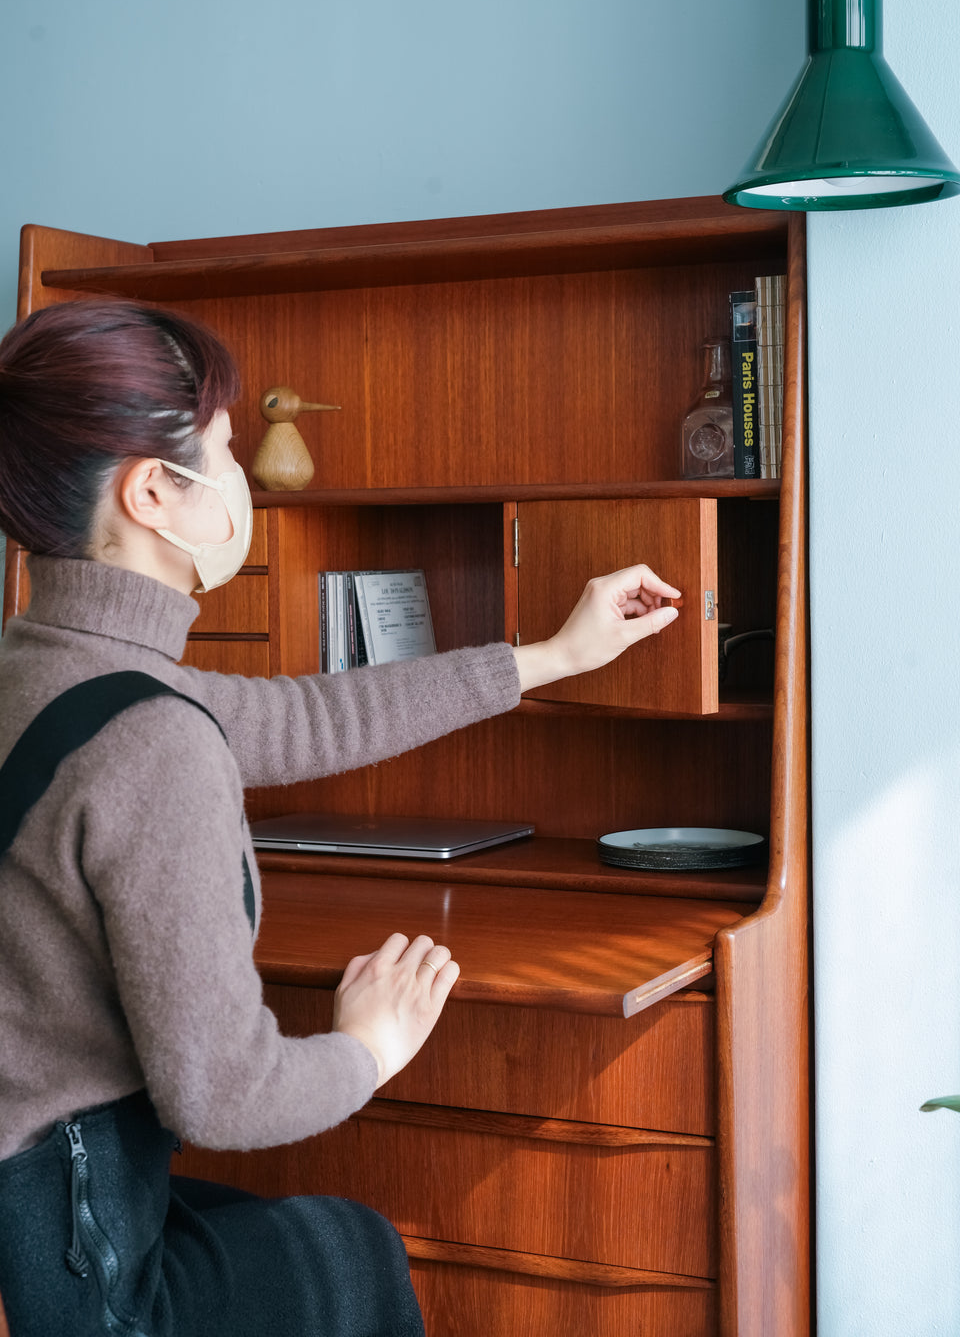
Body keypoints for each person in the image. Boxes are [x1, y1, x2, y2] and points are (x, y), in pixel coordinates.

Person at [0, 300, 680, 1337]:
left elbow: (301, 717)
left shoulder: (47, 666)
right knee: (355, 1250)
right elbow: (224, 1095)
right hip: (79, 1261)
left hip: (35, 1212)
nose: (242, 483)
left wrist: (548, 658)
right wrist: (372, 1044)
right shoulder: (150, 737)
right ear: (152, 492)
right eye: (224, 452)